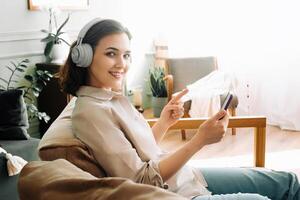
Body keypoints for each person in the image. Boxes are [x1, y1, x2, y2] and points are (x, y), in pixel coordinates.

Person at [56, 18, 300, 200]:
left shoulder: (108, 98)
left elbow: (138, 153)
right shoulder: (91, 113)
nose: (123, 64)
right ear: (84, 57)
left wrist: (164, 123)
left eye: (127, 55)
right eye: (111, 54)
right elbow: (141, 179)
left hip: (185, 177)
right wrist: (199, 141)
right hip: (171, 192)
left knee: (287, 181)